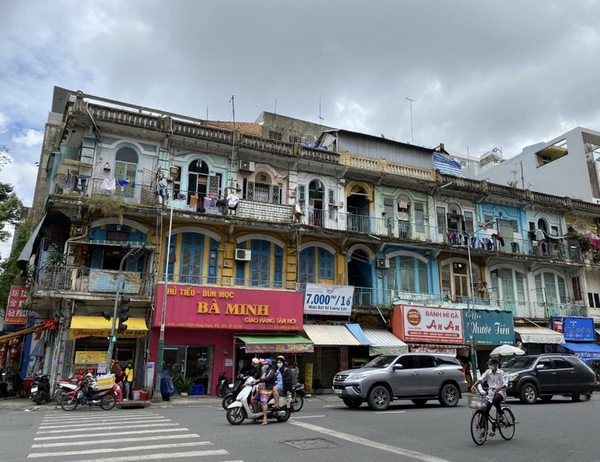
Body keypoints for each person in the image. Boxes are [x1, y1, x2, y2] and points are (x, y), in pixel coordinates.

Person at [471, 358, 508, 437]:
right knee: (485, 411)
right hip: (490, 393)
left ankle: (500, 414)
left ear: (496, 365)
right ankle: (484, 430)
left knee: (495, 400)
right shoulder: (488, 372)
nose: (490, 366)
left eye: (491, 364)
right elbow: (481, 379)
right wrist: (474, 385)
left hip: (500, 393)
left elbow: (506, 384)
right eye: (489, 364)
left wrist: (499, 388)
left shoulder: (501, 373)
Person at [253, 359, 275, 425]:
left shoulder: (271, 371)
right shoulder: (265, 371)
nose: (264, 365)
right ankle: (257, 415)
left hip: (267, 389)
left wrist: (259, 380)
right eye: (264, 364)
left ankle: (265, 418)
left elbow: (267, 379)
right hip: (261, 389)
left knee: (263, 402)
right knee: (254, 400)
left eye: (266, 364)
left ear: (269, 365)